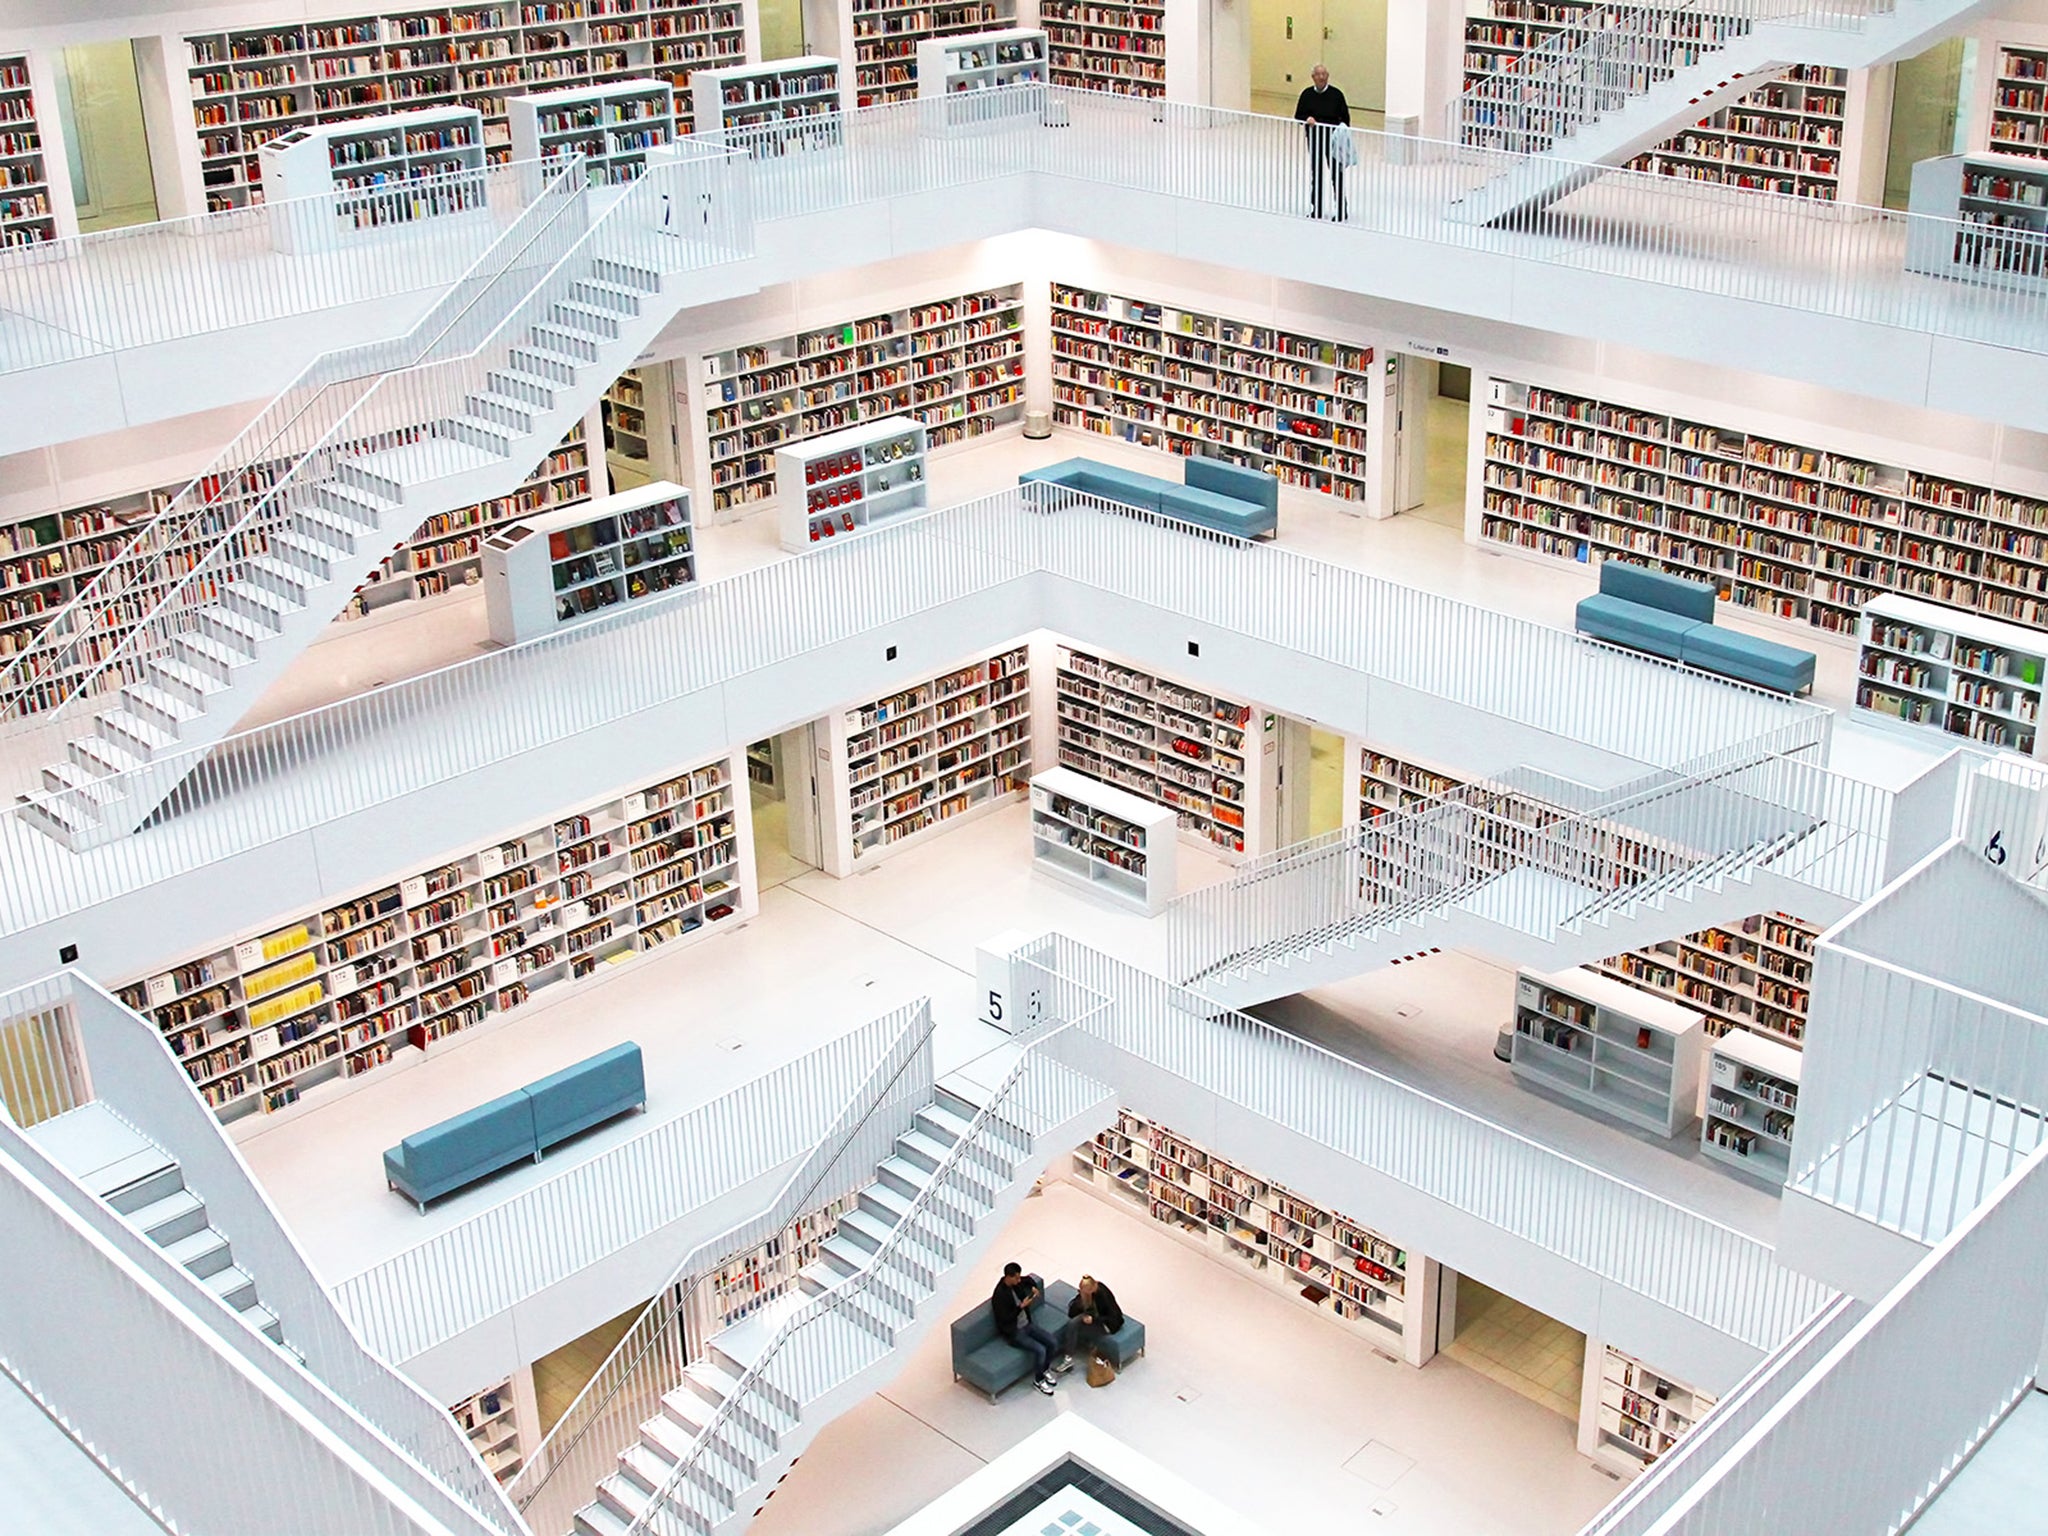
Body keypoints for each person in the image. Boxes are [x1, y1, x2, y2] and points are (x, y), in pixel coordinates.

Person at [990, 1262, 1065, 1394]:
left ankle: (1044, 1369)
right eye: (1016, 1278)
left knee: (1052, 1342)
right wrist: (1021, 1307)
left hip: (1027, 1324)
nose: (1019, 1280)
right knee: (1040, 1350)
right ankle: (1039, 1380)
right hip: (1014, 1332)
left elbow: (1028, 1279)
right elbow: (1004, 1319)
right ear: (1009, 1277)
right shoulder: (999, 1295)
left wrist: (1034, 1287)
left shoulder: (1017, 1282)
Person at [1293, 64, 1351, 222]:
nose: (1321, 77)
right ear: (1313, 77)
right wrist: (1307, 119)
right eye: (1318, 74)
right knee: (1316, 173)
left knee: (1336, 174)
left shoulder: (1337, 95)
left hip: (1333, 141)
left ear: (1328, 76)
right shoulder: (1306, 95)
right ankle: (1316, 208)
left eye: (1324, 74)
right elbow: (1298, 115)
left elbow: (1345, 119)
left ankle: (1341, 210)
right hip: (1315, 139)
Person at [1062, 1273, 1125, 1361]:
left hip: (1108, 1323)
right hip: (1093, 1316)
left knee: (1077, 1329)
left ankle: (1074, 1353)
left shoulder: (1103, 1295)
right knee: (1072, 1323)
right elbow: (1071, 1313)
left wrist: (1094, 1320)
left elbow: (1113, 1317)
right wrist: (1079, 1303)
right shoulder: (1087, 1295)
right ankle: (1068, 1357)